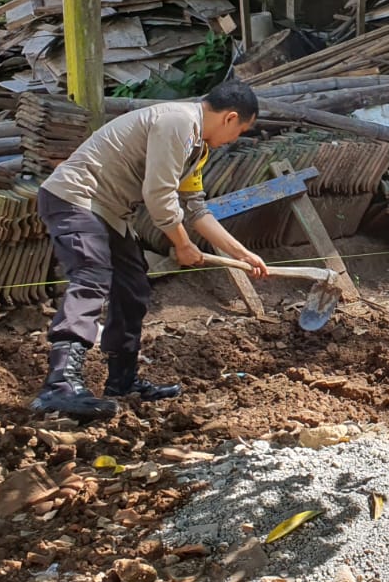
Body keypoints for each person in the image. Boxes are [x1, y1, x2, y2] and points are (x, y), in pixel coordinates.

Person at [33, 81, 269, 418]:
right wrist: (183, 245)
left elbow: (196, 209)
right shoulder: (179, 123)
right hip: (76, 198)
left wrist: (241, 254)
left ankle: (123, 381)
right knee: (92, 276)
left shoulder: (196, 147)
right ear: (230, 118)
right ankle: (59, 387)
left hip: (109, 212)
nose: (234, 140)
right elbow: (159, 196)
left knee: (133, 286)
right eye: (240, 131)